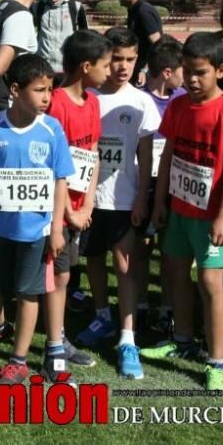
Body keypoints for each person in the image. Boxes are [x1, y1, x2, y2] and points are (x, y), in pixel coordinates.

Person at [143, 32, 223, 394]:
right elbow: (169, 155)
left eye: (199, 72)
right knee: (174, 274)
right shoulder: (177, 106)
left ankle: (217, 360)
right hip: (178, 210)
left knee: (210, 283)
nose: (190, 79)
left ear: (219, 70)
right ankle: (184, 338)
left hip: (211, 217)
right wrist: (160, 202)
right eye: (186, 71)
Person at [0, 54, 73, 385]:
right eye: (40, 90)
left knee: (28, 292)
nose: (47, 97)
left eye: (50, 90)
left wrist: (57, 227)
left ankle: (18, 361)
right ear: (15, 90)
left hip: (37, 229)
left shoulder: (51, 129)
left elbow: (61, 178)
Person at [74, 27, 160, 382]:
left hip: (125, 199)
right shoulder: (89, 97)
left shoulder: (141, 102)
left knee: (125, 266)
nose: (123, 67)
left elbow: (145, 152)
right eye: (116, 60)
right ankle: (101, 314)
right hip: (90, 199)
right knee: (94, 259)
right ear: (103, 60)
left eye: (130, 59)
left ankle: (127, 338)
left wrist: (142, 196)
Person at [44, 30, 110, 379]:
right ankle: (55, 342)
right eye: (105, 64)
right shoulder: (56, 103)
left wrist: (88, 204)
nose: (110, 70)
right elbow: (53, 163)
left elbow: (93, 153)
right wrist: (69, 210)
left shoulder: (94, 101)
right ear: (86, 66)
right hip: (58, 209)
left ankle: (57, 337)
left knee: (65, 273)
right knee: (59, 273)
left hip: (80, 208)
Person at [137, 37, 185, 337]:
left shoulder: (182, 99)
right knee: (141, 250)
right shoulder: (139, 99)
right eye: (183, 69)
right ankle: (141, 308)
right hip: (145, 184)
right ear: (167, 72)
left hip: (176, 185)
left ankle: (168, 310)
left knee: (171, 253)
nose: (188, 76)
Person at [33, 0, 88, 76]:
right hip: (43, 69)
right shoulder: (37, 7)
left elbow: (85, 36)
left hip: (67, 69)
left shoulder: (76, 7)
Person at [116, 0, 162, 84]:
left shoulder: (143, 11)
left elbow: (158, 43)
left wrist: (145, 70)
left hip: (144, 71)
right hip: (136, 65)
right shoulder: (134, 10)